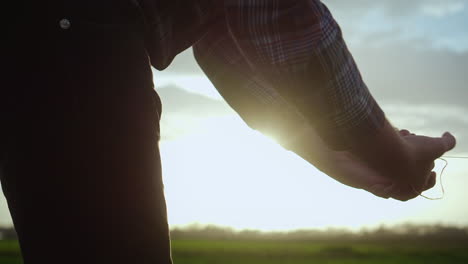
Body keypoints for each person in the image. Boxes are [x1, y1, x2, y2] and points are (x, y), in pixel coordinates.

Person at [1, 0, 456, 263]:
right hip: (68, 33)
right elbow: (280, 14)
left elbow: (222, 41)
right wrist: (390, 155)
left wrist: (338, 157)